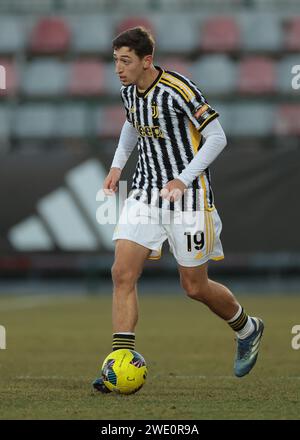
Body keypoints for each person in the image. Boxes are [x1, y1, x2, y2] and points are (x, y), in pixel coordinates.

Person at [93, 27, 264, 392]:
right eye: (115, 61)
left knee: (194, 287)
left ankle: (247, 328)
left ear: (146, 61)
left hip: (187, 199)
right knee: (122, 272)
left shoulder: (178, 90)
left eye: (125, 61)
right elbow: (131, 126)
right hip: (144, 194)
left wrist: (183, 179)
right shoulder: (129, 90)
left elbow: (217, 136)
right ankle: (120, 361)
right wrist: (116, 167)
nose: (119, 69)